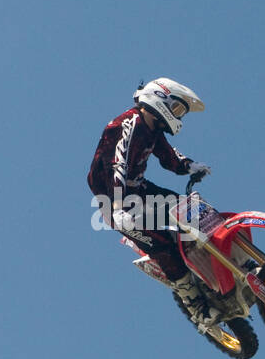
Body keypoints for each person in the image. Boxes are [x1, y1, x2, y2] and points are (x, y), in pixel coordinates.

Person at [87, 77, 216, 325]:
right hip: (114, 199)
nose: (179, 116)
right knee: (162, 244)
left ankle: (229, 259)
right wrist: (117, 207)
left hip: (139, 189)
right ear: (160, 98)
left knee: (194, 210)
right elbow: (118, 165)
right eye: (177, 109)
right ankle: (195, 304)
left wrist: (189, 165)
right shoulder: (128, 123)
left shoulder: (152, 128)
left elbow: (168, 157)